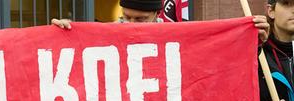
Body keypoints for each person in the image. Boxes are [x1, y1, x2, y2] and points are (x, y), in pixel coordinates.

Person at [51, 0, 270, 45]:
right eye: (126, 17)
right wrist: (65, 33)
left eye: (140, 19)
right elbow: (84, 43)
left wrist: (252, 41)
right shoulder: (109, 34)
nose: (130, 24)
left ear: (157, 15)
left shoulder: (176, 37)